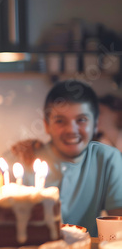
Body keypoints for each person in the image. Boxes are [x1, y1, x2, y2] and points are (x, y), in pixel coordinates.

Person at [7, 80, 122, 237]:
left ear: (95, 124)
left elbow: (119, 222)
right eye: (60, 121)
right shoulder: (21, 159)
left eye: (81, 120)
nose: (71, 129)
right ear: (46, 125)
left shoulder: (108, 159)